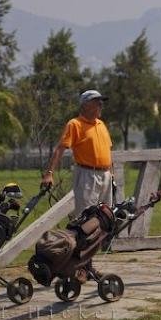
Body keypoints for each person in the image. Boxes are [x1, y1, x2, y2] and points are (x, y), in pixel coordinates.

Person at [41, 89, 113, 279]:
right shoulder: (75, 124)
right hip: (87, 175)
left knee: (104, 221)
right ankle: (81, 267)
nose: (101, 106)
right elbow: (60, 149)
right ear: (85, 105)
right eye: (97, 102)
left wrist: (110, 175)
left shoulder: (101, 124)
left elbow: (107, 151)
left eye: (101, 102)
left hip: (105, 175)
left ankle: (86, 265)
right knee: (86, 223)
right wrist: (49, 174)